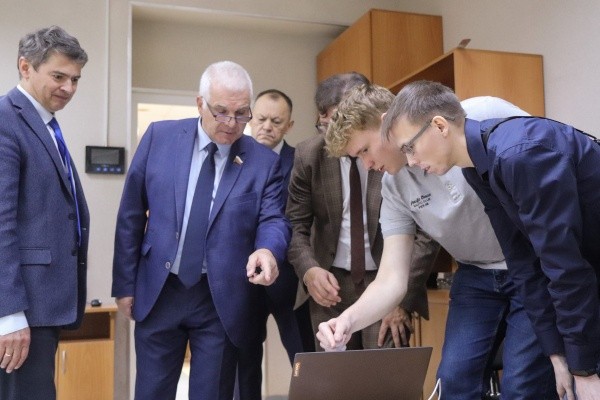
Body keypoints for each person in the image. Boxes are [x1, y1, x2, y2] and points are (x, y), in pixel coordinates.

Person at [318, 83, 557, 399]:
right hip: (475, 274)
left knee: (521, 386)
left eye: (364, 150)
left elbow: (550, 151)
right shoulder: (393, 188)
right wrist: (347, 320)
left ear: (386, 121)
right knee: (452, 381)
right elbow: (391, 280)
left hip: (531, 269)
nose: (367, 165)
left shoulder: (477, 114)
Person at [379, 80, 600, 400]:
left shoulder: (519, 154)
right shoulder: (477, 166)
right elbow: (523, 261)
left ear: (439, 126)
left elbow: (564, 267)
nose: (410, 162)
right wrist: (556, 353)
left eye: (410, 147)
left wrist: (584, 369)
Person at [112, 61, 291, 400]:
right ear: (200, 104)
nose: (231, 123)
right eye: (221, 112)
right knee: (151, 392)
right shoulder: (159, 137)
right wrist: (124, 284)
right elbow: (131, 215)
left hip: (220, 298)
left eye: (241, 114)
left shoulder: (263, 162)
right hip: (160, 290)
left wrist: (267, 249)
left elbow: (273, 219)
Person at [287, 73, 438, 351]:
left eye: (344, 121)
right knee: (334, 372)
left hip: (386, 276)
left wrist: (400, 299)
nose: (336, 133)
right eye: (327, 125)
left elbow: (427, 232)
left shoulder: (398, 158)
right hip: (330, 285)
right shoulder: (309, 155)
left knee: (384, 372)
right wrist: (309, 271)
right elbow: (295, 225)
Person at [0, 26, 90, 400]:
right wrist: (9, 314)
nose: (68, 88)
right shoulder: (5, 119)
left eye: (75, 79)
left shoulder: (45, 124)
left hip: (44, 307)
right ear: (26, 67)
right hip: (23, 310)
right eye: (58, 76)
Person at [235, 89, 312, 399]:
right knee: (243, 361)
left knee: (303, 359)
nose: (267, 126)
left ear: (289, 125)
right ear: (250, 118)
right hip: (243, 278)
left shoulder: (301, 161)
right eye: (261, 118)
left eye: (276, 121)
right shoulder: (233, 158)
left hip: (290, 280)